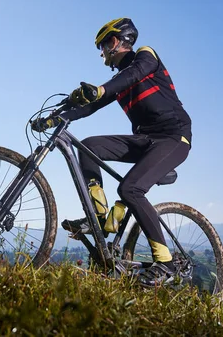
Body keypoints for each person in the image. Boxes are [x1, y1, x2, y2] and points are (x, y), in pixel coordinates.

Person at [31, 18, 192, 287]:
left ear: (118, 40)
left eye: (104, 44)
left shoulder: (146, 56)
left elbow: (133, 74)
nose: (102, 52)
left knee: (130, 190)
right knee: (90, 145)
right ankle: (100, 214)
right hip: (145, 139)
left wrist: (102, 89)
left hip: (173, 138)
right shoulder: (118, 82)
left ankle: (165, 262)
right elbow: (90, 106)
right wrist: (55, 117)